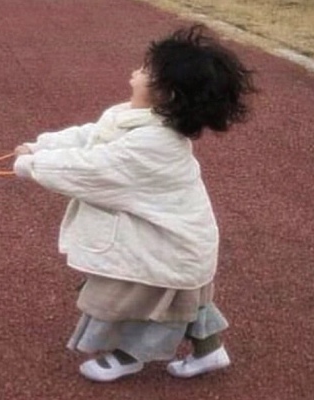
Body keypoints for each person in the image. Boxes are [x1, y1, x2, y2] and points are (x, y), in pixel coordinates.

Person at [13, 24, 256, 382]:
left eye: (145, 70)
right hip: (173, 241)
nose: (135, 72)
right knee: (181, 300)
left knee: (133, 296)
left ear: (166, 93)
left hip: (167, 247)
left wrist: (32, 165)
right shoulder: (132, 115)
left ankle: (129, 356)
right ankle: (210, 350)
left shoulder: (155, 145)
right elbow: (90, 137)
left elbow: (94, 169)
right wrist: (41, 147)